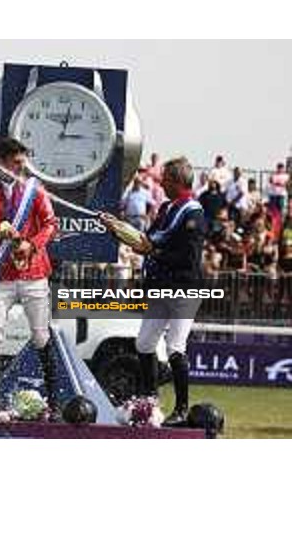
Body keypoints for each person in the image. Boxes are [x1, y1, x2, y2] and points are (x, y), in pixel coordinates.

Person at [103, 156, 206, 426]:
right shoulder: (165, 209)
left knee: (175, 346)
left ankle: (182, 408)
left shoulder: (193, 213)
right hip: (161, 287)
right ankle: (150, 401)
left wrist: (155, 251)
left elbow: (188, 257)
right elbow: (144, 241)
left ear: (178, 181)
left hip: (184, 289)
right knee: (144, 343)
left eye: (166, 179)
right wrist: (117, 228)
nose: (161, 183)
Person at [0, 138, 59, 412]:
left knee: (41, 336)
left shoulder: (35, 191)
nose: (23, 166)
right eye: (17, 162)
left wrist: (33, 243)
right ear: (2, 162)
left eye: (23, 161)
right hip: (2, 275)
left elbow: (51, 224)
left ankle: (54, 402)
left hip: (34, 272)